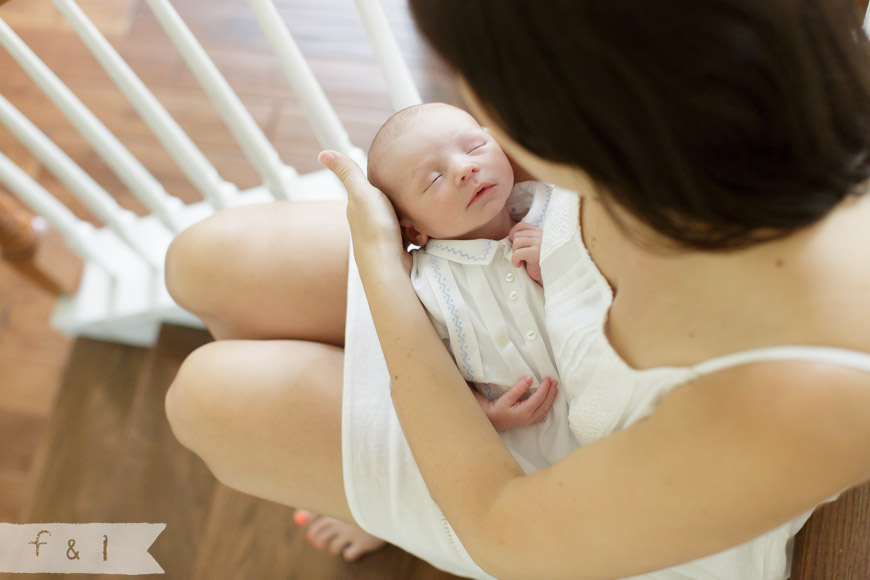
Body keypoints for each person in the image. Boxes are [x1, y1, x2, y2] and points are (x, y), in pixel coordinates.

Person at [163, 1, 870, 579]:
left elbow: (500, 522)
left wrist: (384, 262)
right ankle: (349, 460)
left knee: (205, 398)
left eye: (482, 102)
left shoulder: (807, 388)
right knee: (202, 263)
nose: (482, 130)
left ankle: (372, 489)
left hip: (579, 494)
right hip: (543, 329)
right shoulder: (721, 93)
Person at [367, 101, 578, 469]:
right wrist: (487, 413)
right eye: (434, 179)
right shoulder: (427, 286)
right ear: (414, 228)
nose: (466, 168)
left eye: (474, 147)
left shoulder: (560, 207)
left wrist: (561, 265)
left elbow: (619, 285)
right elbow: (430, 378)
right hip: (540, 453)